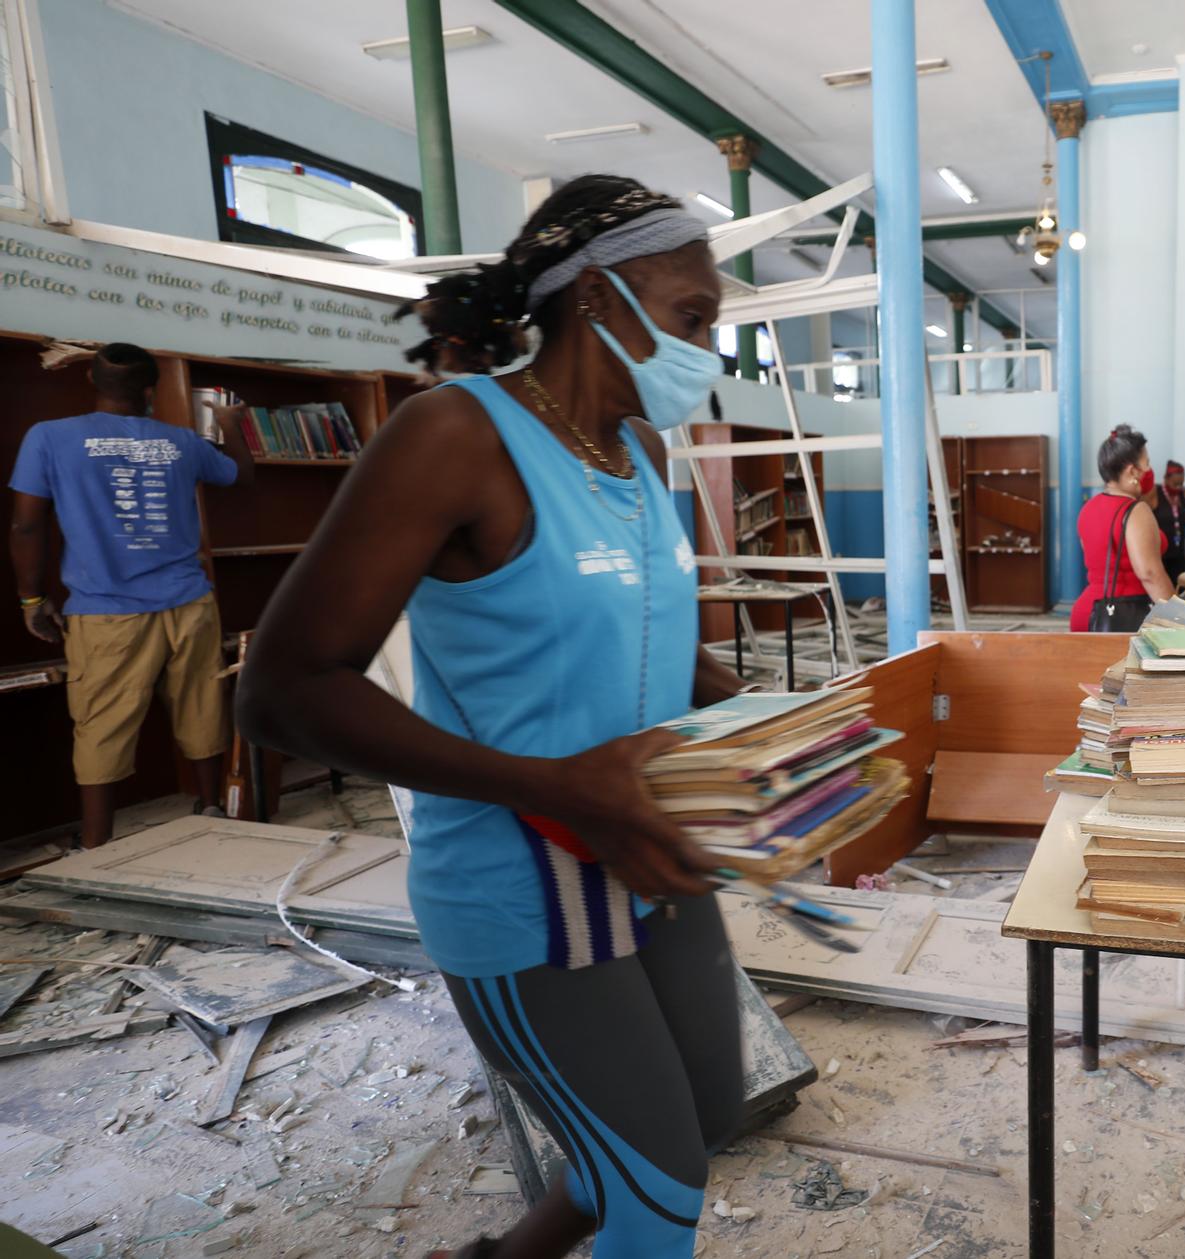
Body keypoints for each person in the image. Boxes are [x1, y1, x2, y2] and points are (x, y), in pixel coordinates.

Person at [236, 176, 756, 1259]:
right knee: (658, 1195)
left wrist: (785, 722)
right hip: (525, 881)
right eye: (693, 318)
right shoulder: (455, 435)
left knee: (695, 1121)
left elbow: (651, 640)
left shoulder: (636, 455)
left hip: (646, 844)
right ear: (600, 300)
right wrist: (545, 782)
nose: (712, 350)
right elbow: (283, 687)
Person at [8, 343, 254, 848]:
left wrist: (32, 600)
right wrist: (230, 421)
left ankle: (98, 842)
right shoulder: (182, 442)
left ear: (94, 384)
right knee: (203, 706)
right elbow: (240, 476)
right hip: (190, 604)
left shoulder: (49, 438)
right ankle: (209, 810)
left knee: (101, 721)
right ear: (150, 391)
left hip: (105, 611)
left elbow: (27, 526)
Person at [1068, 424, 1175, 632]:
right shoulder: (1135, 511)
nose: (1148, 471)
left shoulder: (1087, 508)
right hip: (1124, 617)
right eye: (1146, 463)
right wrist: (1179, 618)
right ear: (1132, 470)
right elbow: (1150, 574)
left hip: (1088, 613)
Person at [1146, 459, 1185, 585]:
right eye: (1175, 484)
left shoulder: (1182, 495)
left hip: (1179, 555)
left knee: (1180, 591)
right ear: (1166, 478)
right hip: (1159, 556)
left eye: (1181, 483)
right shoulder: (1155, 493)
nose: (1178, 487)